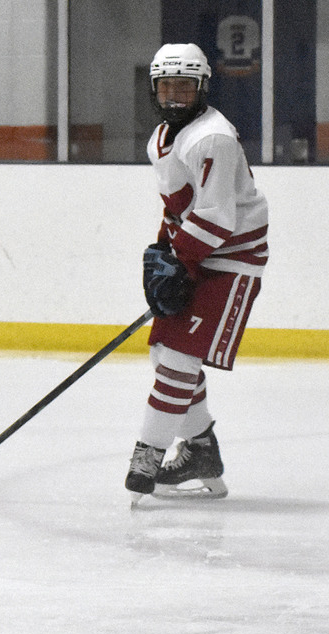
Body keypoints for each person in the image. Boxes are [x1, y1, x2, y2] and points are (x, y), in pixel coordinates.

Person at [126, 42, 268, 500]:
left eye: (184, 89)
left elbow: (216, 217)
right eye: (165, 88)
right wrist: (163, 253)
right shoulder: (162, 137)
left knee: (179, 363)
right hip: (198, 253)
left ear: (202, 88)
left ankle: (147, 455)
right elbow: (178, 209)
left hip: (232, 258)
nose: (173, 98)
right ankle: (202, 448)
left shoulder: (213, 139)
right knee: (163, 355)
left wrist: (179, 261)